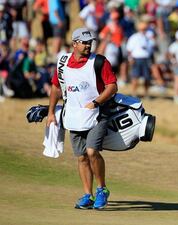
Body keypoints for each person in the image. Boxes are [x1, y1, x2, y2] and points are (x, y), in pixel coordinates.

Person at [46, 27, 118, 210]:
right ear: (74, 43)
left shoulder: (99, 62)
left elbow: (112, 87)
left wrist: (96, 102)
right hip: (74, 115)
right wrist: (51, 112)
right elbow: (56, 87)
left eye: (90, 42)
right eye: (84, 42)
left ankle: (102, 190)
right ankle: (88, 195)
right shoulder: (62, 62)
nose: (88, 45)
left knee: (92, 151)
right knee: (81, 157)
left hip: (97, 114)